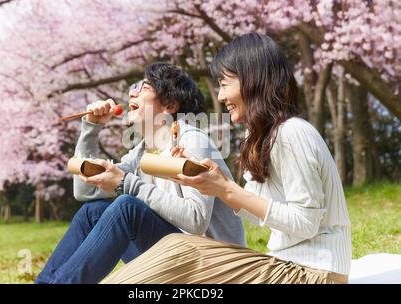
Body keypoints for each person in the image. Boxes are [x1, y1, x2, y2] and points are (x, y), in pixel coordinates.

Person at [102, 33, 352, 284]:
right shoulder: (261, 137)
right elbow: (259, 215)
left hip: (313, 274)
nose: (220, 97)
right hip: (285, 265)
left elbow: (306, 223)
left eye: (224, 84)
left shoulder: (291, 133)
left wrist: (226, 189)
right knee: (178, 247)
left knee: (181, 247)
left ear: (251, 80)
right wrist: (216, 184)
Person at [35, 62, 246, 284]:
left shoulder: (192, 140)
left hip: (214, 270)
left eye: (144, 88)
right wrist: (91, 129)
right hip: (177, 260)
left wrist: (127, 183)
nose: (132, 93)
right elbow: (85, 192)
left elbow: (196, 219)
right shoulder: (141, 151)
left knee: (127, 207)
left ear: (170, 105)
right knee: (93, 211)